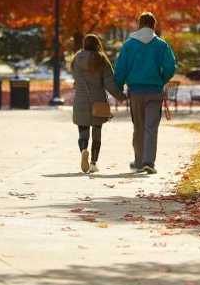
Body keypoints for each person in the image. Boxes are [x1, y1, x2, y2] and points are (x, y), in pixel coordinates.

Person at [114, 12, 177, 174]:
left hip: (135, 91)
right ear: (153, 25)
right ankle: (149, 161)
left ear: (139, 25)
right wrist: (161, 79)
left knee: (139, 126)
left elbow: (121, 68)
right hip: (154, 91)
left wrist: (119, 87)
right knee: (151, 127)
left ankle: (139, 160)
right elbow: (171, 66)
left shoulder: (129, 45)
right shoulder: (161, 45)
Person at [71, 34, 126, 174]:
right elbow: (109, 83)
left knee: (83, 132)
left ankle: (84, 149)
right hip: (98, 102)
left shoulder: (76, 59)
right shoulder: (101, 60)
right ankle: (93, 163)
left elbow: (76, 80)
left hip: (80, 101)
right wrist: (121, 96)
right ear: (97, 45)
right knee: (97, 133)